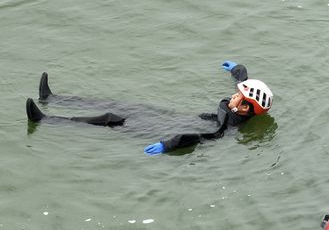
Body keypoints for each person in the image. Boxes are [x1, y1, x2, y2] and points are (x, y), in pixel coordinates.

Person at [24, 62, 273, 155]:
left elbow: (197, 137)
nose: (234, 95)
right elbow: (242, 79)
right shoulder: (240, 108)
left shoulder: (225, 126)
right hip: (170, 118)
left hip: (168, 129)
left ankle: (46, 119)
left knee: (112, 118)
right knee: (116, 106)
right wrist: (235, 69)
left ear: (245, 109)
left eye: (239, 98)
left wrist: (168, 144)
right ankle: (54, 97)